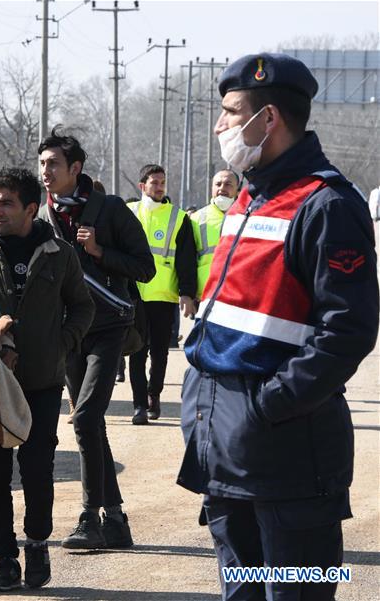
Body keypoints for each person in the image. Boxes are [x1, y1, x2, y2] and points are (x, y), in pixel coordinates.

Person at [179, 53, 379, 601]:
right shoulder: (249, 195)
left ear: (267, 120)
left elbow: (348, 331)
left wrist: (265, 407)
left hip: (289, 460)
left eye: (229, 112)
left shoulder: (328, 204)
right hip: (228, 454)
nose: (221, 124)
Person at [0, 167, 94, 592]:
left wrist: (61, 343)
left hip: (43, 383)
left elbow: (83, 308)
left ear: (30, 207)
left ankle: (37, 543)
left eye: (6, 202)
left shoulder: (59, 254)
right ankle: (4, 559)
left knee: (37, 471)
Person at [36, 130, 154, 550]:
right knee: (92, 425)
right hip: (68, 333)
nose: (46, 171)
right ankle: (116, 519)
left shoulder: (110, 210)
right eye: (42, 163)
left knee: (84, 418)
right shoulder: (41, 218)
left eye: (53, 164)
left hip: (109, 328)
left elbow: (145, 269)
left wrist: (102, 252)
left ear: (75, 169)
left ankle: (89, 517)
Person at [126, 165, 197, 424]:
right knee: (136, 351)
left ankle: (153, 396)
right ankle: (138, 405)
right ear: (142, 186)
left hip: (164, 296)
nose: (159, 187)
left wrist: (187, 293)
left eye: (163, 182)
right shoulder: (128, 212)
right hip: (134, 295)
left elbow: (186, 260)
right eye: (154, 182)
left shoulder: (178, 217)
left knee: (159, 352)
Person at [192, 170, 239, 300]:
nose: (222, 188)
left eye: (228, 184)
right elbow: (188, 260)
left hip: (237, 296)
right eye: (218, 184)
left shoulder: (248, 216)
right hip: (205, 294)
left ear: (237, 189)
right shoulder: (196, 219)